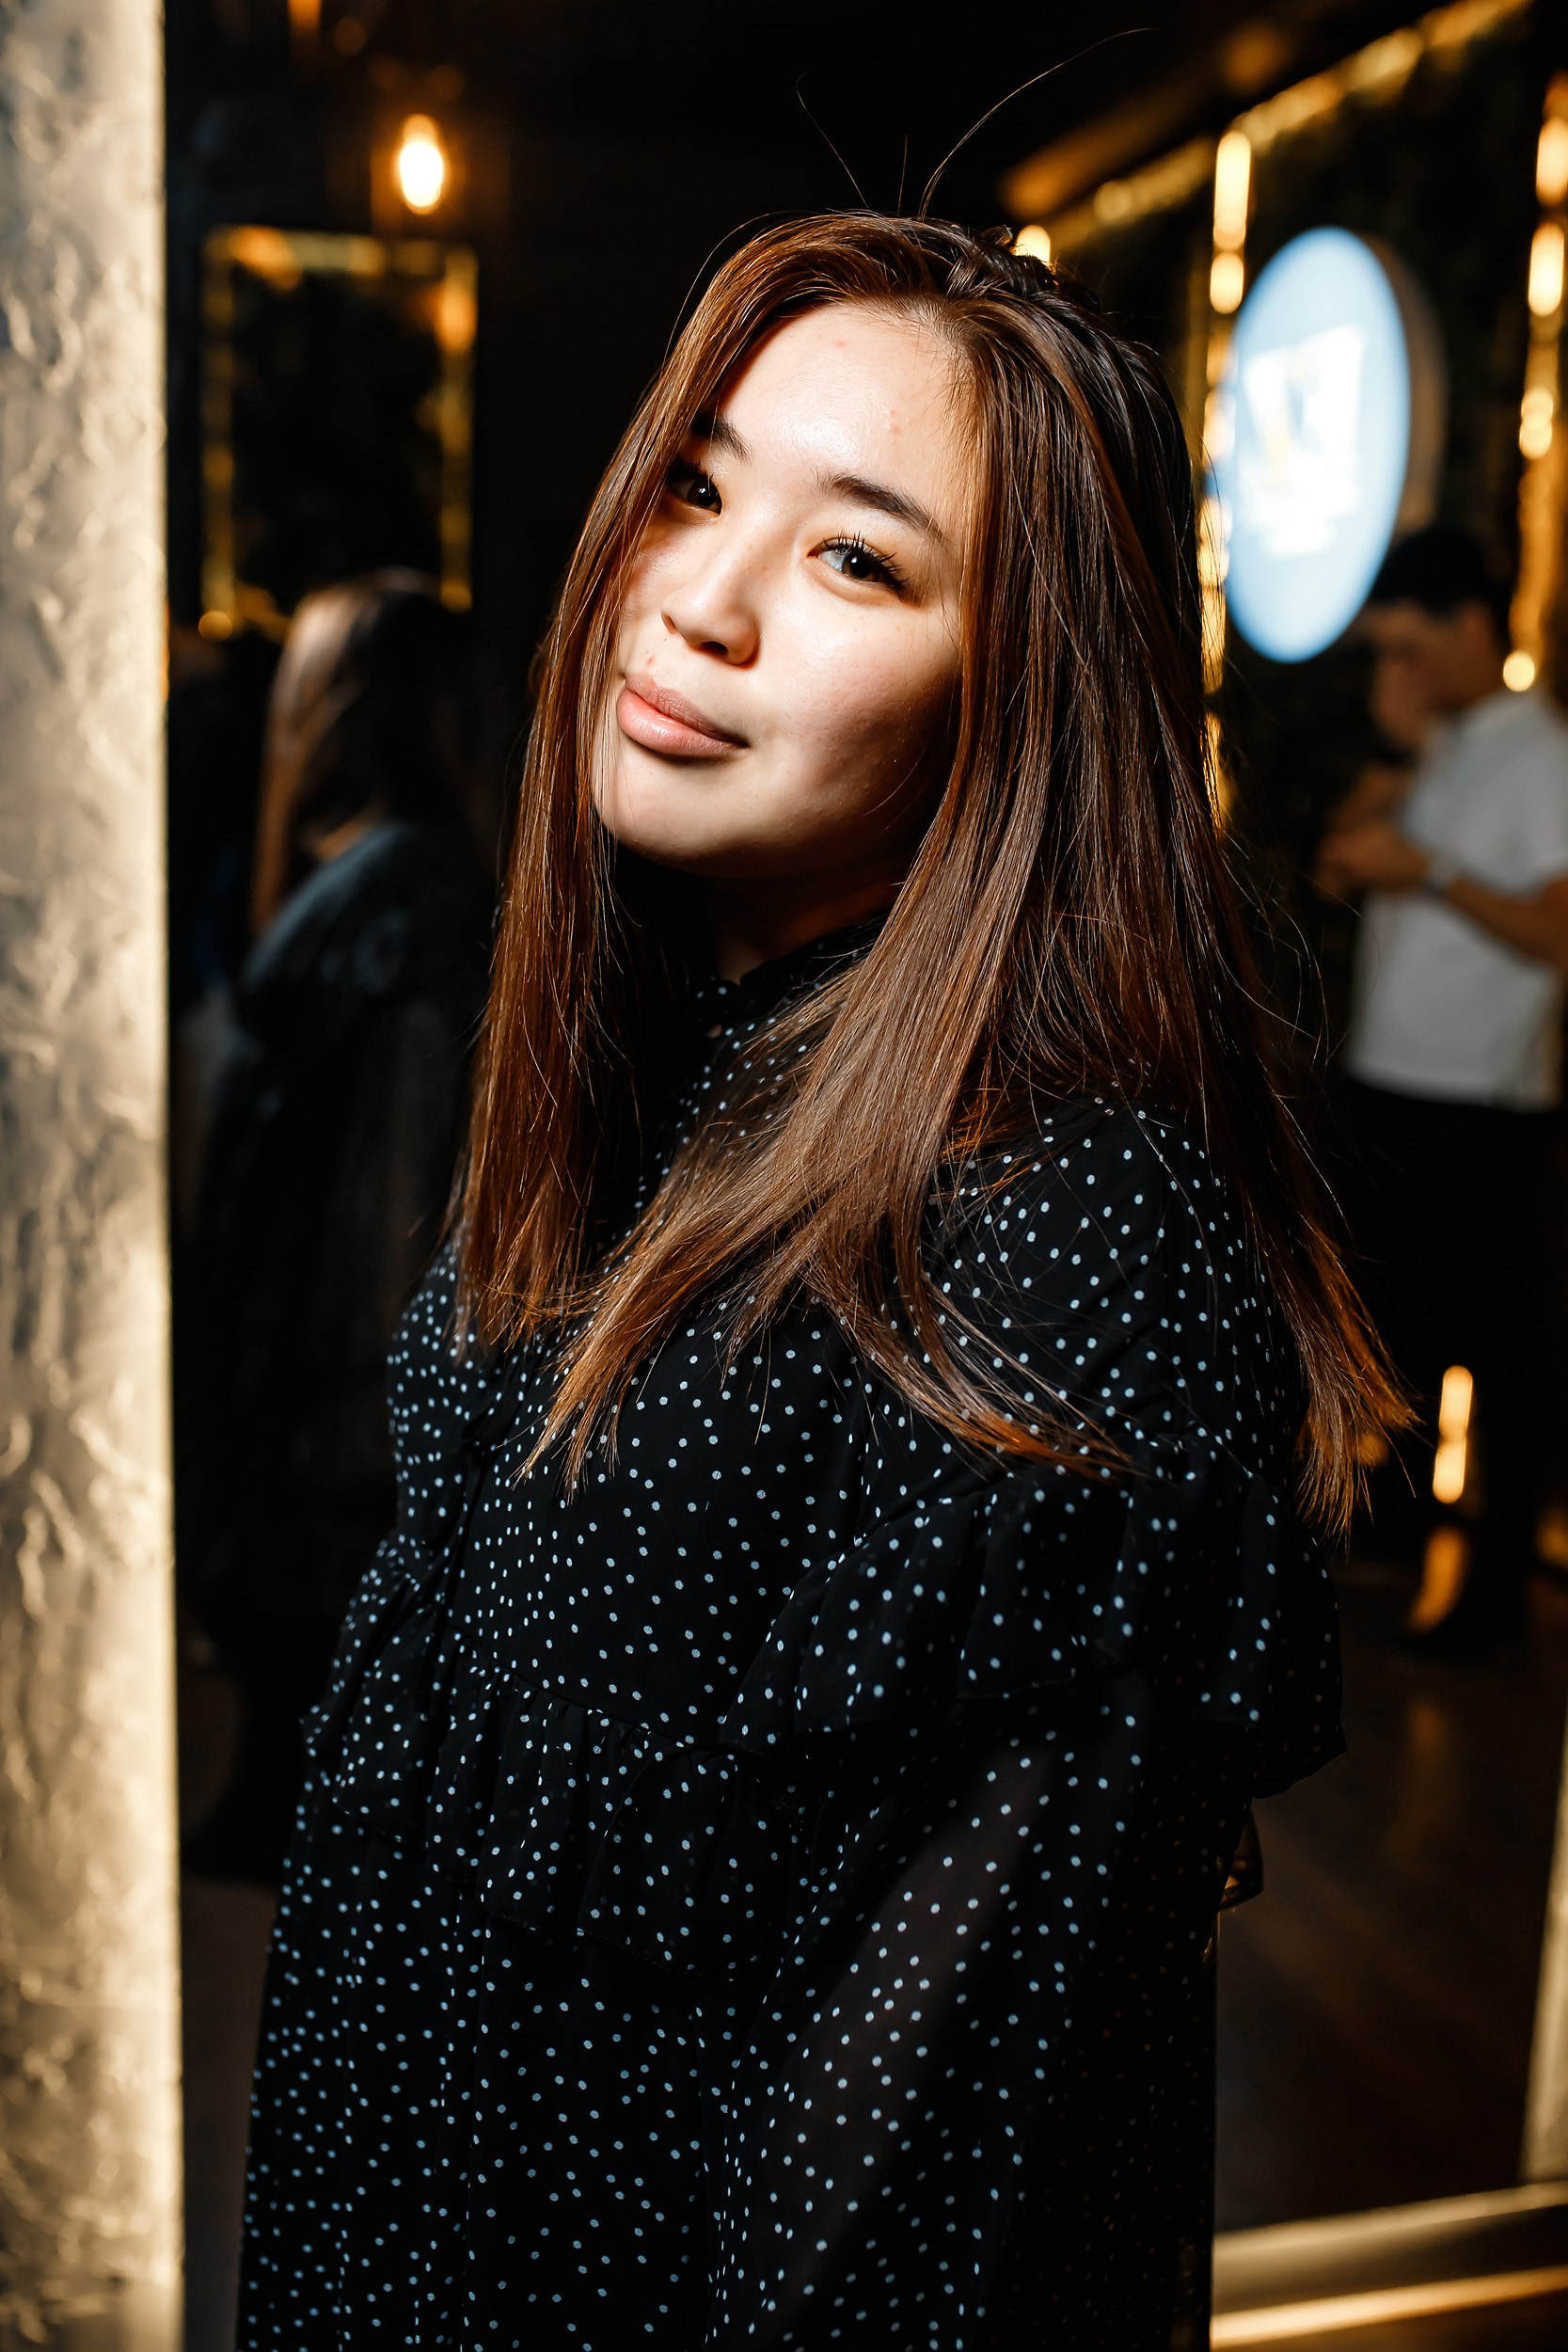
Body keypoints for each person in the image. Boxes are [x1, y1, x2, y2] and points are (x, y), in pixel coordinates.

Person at [239, 215, 1396, 2350]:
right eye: (694, 483)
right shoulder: (658, 1078)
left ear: (1014, 692)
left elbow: (927, 2226)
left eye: (859, 557)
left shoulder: (1061, 1238)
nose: (702, 595)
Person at [180, 570, 492, 1882]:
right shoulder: (388, 906)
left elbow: (382, 1247)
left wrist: (348, 1464)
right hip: (323, 1472)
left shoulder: (385, 918)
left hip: (323, 1478)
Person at [1317, 526, 1568, 1661]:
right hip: (1387, 1086)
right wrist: (1395, 745)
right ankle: (1396, 1545)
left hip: (1484, 1105)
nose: (1397, 672)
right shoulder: (1440, 744)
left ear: (1470, 627)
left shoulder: (1541, 753)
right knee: (1400, 1331)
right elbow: (1333, 862)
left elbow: (1555, 932)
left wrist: (1430, 872)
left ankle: (1489, 1598)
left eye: (1409, 649)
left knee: (1497, 1353)